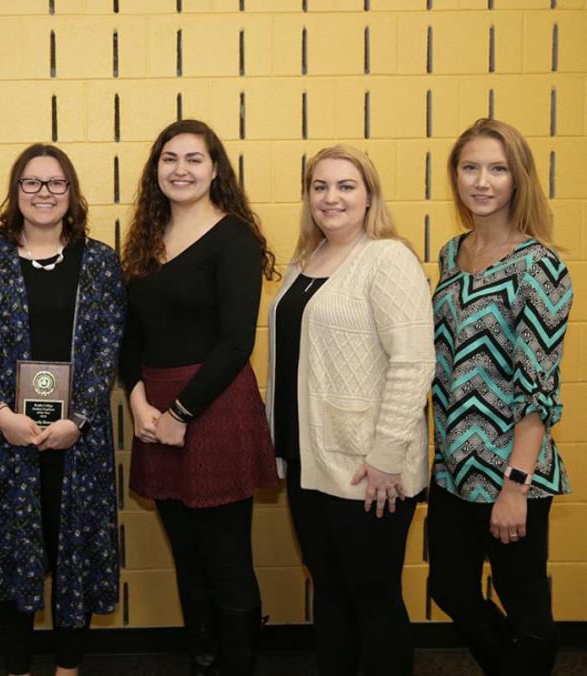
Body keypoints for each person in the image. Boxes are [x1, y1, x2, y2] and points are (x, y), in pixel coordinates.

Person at [264, 145, 435, 675]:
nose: (331, 197)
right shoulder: (303, 263)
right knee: (331, 592)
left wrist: (386, 455)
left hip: (368, 468)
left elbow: (414, 362)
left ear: (368, 197)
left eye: (345, 186)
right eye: (320, 186)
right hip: (309, 460)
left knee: (373, 597)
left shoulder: (388, 258)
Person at [0, 143, 125, 676]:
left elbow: (108, 346)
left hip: (80, 438)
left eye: (56, 183)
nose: (44, 193)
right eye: (32, 183)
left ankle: (68, 668)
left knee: (73, 551)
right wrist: (2, 413)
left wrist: (79, 419)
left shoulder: (99, 262)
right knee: (11, 552)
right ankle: (17, 668)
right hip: (5, 435)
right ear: (15, 192)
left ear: (71, 193)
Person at [120, 119, 279, 676]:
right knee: (186, 557)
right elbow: (129, 335)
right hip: (154, 410)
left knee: (226, 557)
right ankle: (204, 661)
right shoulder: (143, 238)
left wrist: (182, 414)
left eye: (194, 158)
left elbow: (237, 341)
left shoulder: (235, 238)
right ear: (155, 169)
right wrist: (139, 401)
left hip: (213, 406)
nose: (180, 169)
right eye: (169, 158)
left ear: (216, 169)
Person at [428, 118, 573, 676]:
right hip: (451, 468)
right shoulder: (451, 253)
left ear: (519, 178)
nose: (481, 181)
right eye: (470, 168)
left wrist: (515, 485)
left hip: (511, 470)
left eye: (497, 168)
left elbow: (538, 389)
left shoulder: (539, 266)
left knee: (528, 610)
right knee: (448, 586)